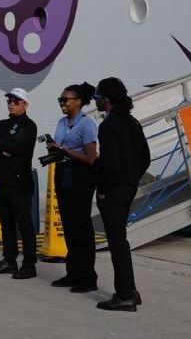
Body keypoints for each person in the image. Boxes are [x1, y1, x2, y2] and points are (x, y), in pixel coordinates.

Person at [93, 77, 150, 312]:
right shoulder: (133, 122)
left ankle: (124, 294)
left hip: (113, 191)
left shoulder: (108, 126)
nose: (95, 101)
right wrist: (131, 180)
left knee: (117, 243)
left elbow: (110, 163)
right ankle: (131, 291)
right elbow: (145, 157)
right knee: (121, 240)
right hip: (128, 188)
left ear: (107, 100)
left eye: (97, 97)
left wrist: (103, 189)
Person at [45, 82, 98, 293]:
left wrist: (65, 151)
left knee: (81, 227)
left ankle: (87, 277)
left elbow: (91, 158)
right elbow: (62, 148)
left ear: (78, 101)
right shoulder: (61, 122)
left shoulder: (87, 124)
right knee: (68, 225)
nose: (62, 103)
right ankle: (72, 272)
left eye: (65, 100)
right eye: (60, 100)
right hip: (63, 175)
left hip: (80, 177)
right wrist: (54, 149)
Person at [0, 88, 39, 279]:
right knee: (6, 224)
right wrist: (2, 150)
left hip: (19, 183)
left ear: (25, 104)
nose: (11, 104)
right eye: (9, 101)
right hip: (2, 182)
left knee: (24, 224)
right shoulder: (2, 124)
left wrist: (0, 147)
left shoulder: (29, 126)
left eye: (16, 101)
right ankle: (9, 260)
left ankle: (29, 264)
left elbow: (14, 146)